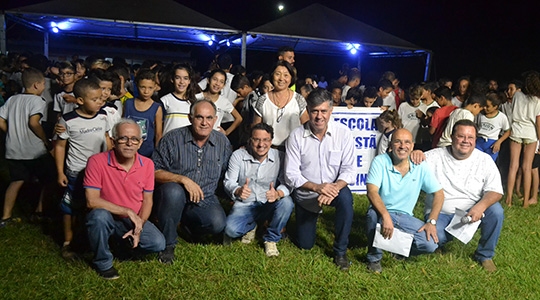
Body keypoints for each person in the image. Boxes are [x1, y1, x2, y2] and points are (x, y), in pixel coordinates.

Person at [152, 99, 232, 264]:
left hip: (205, 196)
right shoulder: (172, 139)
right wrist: (182, 179)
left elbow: (227, 173)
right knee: (173, 192)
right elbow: (153, 171)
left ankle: (186, 225)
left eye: (209, 118)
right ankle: (168, 243)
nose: (204, 123)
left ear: (215, 120)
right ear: (190, 117)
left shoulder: (222, 142)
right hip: (175, 194)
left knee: (217, 224)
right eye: (199, 117)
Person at [84, 119, 165, 280]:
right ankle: (103, 263)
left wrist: (139, 225)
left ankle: (120, 245)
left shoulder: (147, 164)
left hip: (133, 220)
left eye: (134, 139)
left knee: (158, 243)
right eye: (123, 138)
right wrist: (127, 211)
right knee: (98, 217)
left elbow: (147, 200)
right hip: (108, 217)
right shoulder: (96, 161)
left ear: (140, 143)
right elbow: (91, 201)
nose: (129, 143)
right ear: (113, 141)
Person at [285, 89, 355, 271]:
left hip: (333, 190)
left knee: (346, 199)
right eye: (314, 111)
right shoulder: (296, 136)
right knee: (305, 245)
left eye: (323, 111)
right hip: (308, 194)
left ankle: (340, 251)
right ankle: (302, 223)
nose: (319, 116)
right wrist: (317, 188)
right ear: (307, 110)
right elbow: (291, 174)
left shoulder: (343, 133)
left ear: (331, 111)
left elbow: (349, 170)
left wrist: (333, 188)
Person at [423, 119, 504, 272]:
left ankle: (485, 255)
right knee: (427, 243)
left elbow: (496, 191)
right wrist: (415, 153)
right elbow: (404, 166)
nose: (466, 141)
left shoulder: (484, 160)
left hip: (472, 212)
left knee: (496, 211)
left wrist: (480, 207)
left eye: (470, 137)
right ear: (452, 137)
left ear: (475, 139)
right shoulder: (433, 156)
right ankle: (445, 237)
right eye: (461, 136)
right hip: (440, 213)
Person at [366, 128, 443, 273]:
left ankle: (398, 250)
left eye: (407, 142)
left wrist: (431, 221)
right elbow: (372, 192)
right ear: (391, 144)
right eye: (398, 142)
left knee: (431, 244)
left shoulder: (419, 166)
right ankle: (374, 258)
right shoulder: (380, 161)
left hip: (405, 216)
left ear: (413, 146)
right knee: (372, 215)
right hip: (381, 211)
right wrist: (386, 216)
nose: (402, 146)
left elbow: (439, 193)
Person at [54, 78, 111, 260]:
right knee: (70, 206)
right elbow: (61, 146)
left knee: (92, 205)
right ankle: (67, 242)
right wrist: (60, 172)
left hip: (99, 171)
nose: (99, 102)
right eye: (94, 99)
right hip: (76, 171)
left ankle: (86, 239)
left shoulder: (103, 115)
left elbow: (107, 138)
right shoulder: (68, 120)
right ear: (79, 101)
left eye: (100, 99)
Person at [223, 123, 293, 256]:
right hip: (246, 203)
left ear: (271, 141)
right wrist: (237, 190)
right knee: (230, 231)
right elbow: (228, 181)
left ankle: (271, 239)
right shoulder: (238, 155)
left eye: (265, 140)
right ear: (250, 140)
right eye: (256, 139)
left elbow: (288, 183)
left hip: (269, 202)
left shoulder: (281, 157)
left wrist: (278, 193)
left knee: (287, 202)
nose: (261, 144)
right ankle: (252, 225)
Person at [0, 68, 55, 228]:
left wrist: (10, 132)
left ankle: (6, 217)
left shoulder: (12, 99)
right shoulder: (38, 101)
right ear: (37, 85)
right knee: (48, 179)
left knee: (16, 181)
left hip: (13, 149)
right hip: (34, 151)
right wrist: (45, 140)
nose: (45, 87)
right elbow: (33, 122)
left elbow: (1, 120)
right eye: (44, 84)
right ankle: (39, 211)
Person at [253, 61, 309, 148]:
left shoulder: (299, 99)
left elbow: (306, 127)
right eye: (277, 74)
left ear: (291, 78)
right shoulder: (262, 100)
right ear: (272, 76)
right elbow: (256, 128)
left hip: (293, 149)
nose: (281, 78)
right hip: (268, 150)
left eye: (286, 75)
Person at [505, 71, 540, 208]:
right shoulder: (538, 100)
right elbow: (538, 122)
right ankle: (526, 202)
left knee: (513, 166)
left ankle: (508, 199)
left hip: (516, 131)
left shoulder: (517, 95)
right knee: (527, 168)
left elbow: (513, 112)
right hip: (531, 134)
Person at [123, 69, 163, 157]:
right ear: (137, 85)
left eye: (150, 88)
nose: (146, 91)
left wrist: (157, 155)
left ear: (155, 87)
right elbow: (122, 126)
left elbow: (158, 134)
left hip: (147, 153)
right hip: (127, 149)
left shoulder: (157, 108)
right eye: (143, 87)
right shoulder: (128, 103)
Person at [196, 69, 243, 137]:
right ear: (208, 80)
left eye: (221, 82)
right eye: (215, 79)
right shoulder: (197, 98)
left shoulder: (224, 101)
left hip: (215, 138)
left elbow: (239, 118)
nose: (217, 84)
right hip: (197, 136)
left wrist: (226, 132)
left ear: (224, 85)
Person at [160, 64, 197, 135]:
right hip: (169, 143)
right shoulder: (165, 100)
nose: (181, 82)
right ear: (172, 79)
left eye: (185, 78)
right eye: (178, 78)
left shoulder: (194, 102)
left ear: (189, 81)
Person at [475, 92, 510, 161]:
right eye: (484, 105)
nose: (484, 108)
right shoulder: (480, 114)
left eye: (488, 106)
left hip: (492, 144)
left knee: (489, 165)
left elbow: (508, 132)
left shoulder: (502, 117)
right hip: (479, 142)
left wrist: (499, 142)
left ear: (495, 107)